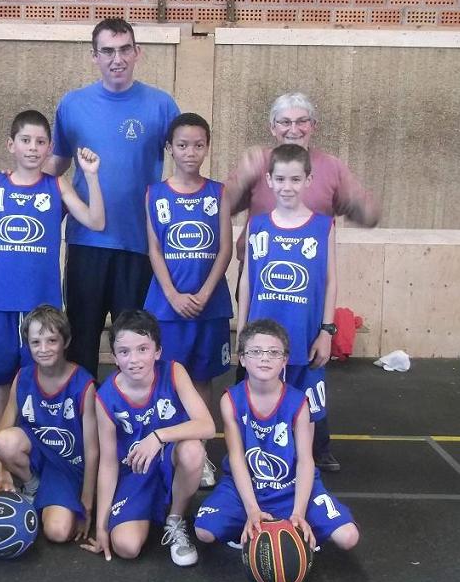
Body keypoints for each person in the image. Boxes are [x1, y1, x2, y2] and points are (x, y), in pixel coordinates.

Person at [0, 110, 104, 481]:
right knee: (1, 380)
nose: (32, 147)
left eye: (41, 142)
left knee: (37, 378)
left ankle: (37, 444)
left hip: (40, 306)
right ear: (11, 145)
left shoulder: (57, 186)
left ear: (49, 148)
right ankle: (3, 450)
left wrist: (91, 177)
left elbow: (96, 221)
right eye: (25, 140)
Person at [225, 91, 380, 472]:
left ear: (313, 126)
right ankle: (252, 446)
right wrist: (241, 176)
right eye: (285, 122)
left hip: (305, 302)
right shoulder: (258, 165)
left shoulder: (332, 169)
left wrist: (327, 329)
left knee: (307, 375)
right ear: (272, 127)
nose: (293, 129)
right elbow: (221, 206)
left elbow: (368, 215)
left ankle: (314, 449)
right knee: (256, 370)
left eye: (301, 121)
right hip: (262, 293)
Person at [44, 18, 181, 380]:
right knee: (80, 341)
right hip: (86, 242)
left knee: (134, 345)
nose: (116, 59)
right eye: (107, 51)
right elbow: (56, 166)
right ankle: (83, 414)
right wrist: (22, 193)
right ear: (94, 56)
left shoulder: (162, 106)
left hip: (139, 244)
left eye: (124, 50)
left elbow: (186, 158)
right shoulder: (72, 104)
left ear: (137, 53)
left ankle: (128, 413)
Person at [194, 319, 359, 553]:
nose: (264, 358)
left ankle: (290, 523)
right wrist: (252, 509)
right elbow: (237, 458)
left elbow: (305, 461)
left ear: (285, 360)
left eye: (273, 352)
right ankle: (252, 521)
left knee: (348, 537)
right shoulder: (230, 400)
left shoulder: (299, 402)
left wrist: (299, 513)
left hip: (290, 485)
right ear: (242, 358)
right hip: (246, 486)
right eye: (255, 351)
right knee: (204, 531)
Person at [82, 310, 215, 566]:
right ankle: (149, 508)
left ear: (157, 351)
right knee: (126, 547)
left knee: (193, 450)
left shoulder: (174, 372)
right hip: (135, 471)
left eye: (143, 349)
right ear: (114, 357)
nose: (134, 360)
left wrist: (158, 436)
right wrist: (101, 525)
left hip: (169, 462)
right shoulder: (106, 397)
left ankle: (175, 520)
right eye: (124, 352)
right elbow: (108, 463)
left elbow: (207, 426)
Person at [144, 112, 233, 489]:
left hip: (209, 306)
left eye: (198, 145)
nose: (190, 152)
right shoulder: (155, 193)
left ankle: (200, 452)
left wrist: (206, 292)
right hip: (168, 308)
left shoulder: (219, 193)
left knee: (201, 377)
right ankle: (167, 451)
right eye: (182, 145)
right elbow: (154, 249)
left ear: (207, 147)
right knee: (168, 380)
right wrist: (172, 295)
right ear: (170, 148)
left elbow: (225, 249)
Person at [238, 144, 336, 450]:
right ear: (269, 180)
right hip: (260, 339)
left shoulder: (323, 226)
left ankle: (304, 463)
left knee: (304, 411)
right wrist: (241, 330)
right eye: (280, 179)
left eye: (295, 179)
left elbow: (330, 281)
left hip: (304, 336)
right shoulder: (257, 224)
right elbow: (247, 280)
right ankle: (263, 462)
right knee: (261, 407)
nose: (287, 187)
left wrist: (326, 331)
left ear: (309, 180)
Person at [0, 305, 98, 543]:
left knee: (57, 533)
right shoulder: (23, 377)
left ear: (65, 341)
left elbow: (92, 450)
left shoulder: (84, 385)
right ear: (28, 345)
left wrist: (87, 500)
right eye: (35, 342)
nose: (43, 349)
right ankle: (32, 487)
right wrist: (3, 474)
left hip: (68, 466)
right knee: (5, 441)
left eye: (51, 340)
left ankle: (53, 499)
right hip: (38, 456)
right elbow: (2, 430)